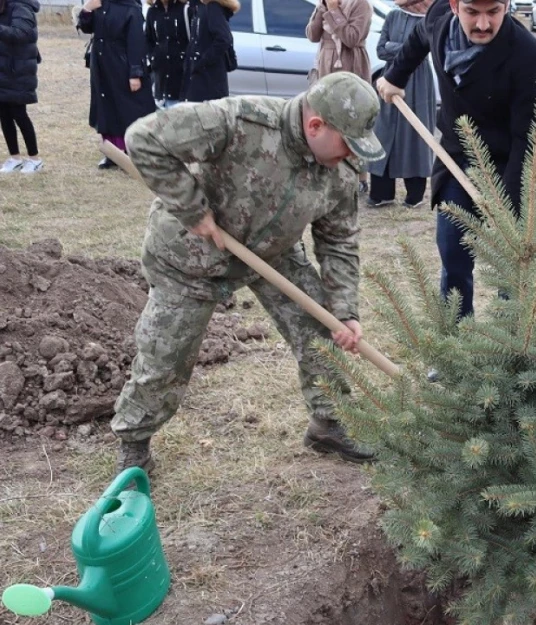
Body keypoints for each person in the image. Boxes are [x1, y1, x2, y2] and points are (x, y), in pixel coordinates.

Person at [115, 71, 385, 473]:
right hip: (191, 258)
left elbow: (340, 242)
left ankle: (328, 424)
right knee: (166, 359)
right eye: (347, 144)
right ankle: (134, 447)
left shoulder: (339, 173)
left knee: (319, 329)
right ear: (316, 126)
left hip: (271, 253)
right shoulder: (241, 121)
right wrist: (193, 210)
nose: (350, 156)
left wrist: (345, 311)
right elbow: (144, 138)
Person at [375, 0, 536, 319]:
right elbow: (417, 39)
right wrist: (395, 76)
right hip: (457, 158)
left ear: (507, 6)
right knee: (453, 255)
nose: (483, 24)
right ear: (454, 6)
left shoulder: (529, 56)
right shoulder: (438, 21)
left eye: (494, 12)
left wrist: (506, 212)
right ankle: (456, 347)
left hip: (511, 164)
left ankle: (512, 346)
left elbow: (526, 141)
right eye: (472, 12)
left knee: (512, 268)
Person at [367, 0, 434, 208]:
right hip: (390, 79)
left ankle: (414, 195)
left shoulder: (429, 19)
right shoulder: (393, 16)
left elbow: (423, 51)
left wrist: (394, 47)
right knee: (384, 132)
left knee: (413, 134)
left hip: (418, 82)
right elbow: (380, 50)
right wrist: (406, 49)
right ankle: (381, 193)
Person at [77, 0, 156, 169]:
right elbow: (86, 28)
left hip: (121, 64)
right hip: (102, 64)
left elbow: (136, 43)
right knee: (106, 106)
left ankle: (130, 152)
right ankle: (112, 152)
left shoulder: (131, 8)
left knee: (127, 109)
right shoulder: (100, 5)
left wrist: (135, 73)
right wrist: (87, 10)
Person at [306, 0, 372, 192]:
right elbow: (312, 35)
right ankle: (330, 173)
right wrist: (322, 8)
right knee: (326, 122)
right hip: (326, 66)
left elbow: (351, 38)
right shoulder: (324, 4)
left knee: (353, 123)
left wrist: (334, 10)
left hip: (351, 67)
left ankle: (359, 178)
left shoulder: (361, 5)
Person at [0, 0, 42, 174]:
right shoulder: (4, 7)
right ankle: (15, 157)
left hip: (18, 70)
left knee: (19, 114)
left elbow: (21, 33)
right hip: (4, 69)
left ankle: (35, 159)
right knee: (3, 113)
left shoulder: (22, 7)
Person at [182, 0, 237, 102]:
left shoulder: (212, 7)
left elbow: (224, 38)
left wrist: (202, 61)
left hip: (209, 83)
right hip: (198, 81)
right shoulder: (198, 8)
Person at [145, 0, 188, 108]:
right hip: (161, 77)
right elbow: (148, 40)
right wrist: (153, 58)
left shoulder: (185, 10)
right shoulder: (152, 11)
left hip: (181, 77)